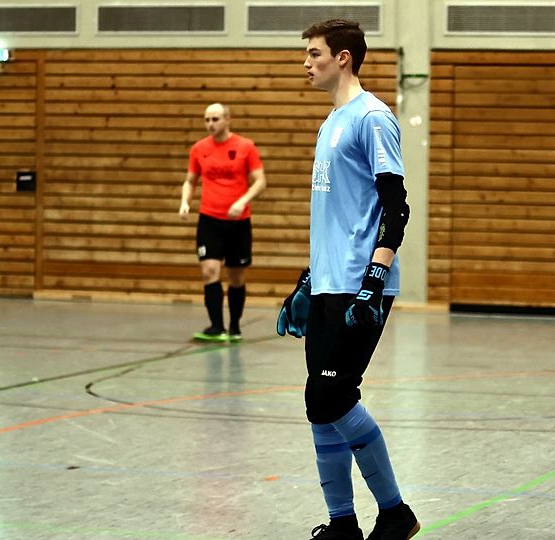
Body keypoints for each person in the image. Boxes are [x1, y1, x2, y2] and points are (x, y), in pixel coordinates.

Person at [276, 19, 418, 540]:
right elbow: (337, 215)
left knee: (334, 396)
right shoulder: (331, 122)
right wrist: (310, 279)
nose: (306, 63)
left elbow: (395, 208)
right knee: (319, 404)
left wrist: (374, 278)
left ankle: (396, 514)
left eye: (314, 54)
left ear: (343, 58)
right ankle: (342, 524)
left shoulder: (373, 118)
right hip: (328, 284)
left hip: (361, 286)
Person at [180, 103, 266, 342]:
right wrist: (185, 202)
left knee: (236, 277)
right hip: (209, 220)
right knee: (209, 271)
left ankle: (235, 326)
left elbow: (260, 181)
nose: (210, 124)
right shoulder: (199, 149)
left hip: (238, 222)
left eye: (215, 119)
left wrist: (242, 201)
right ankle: (216, 327)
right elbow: (190, 180)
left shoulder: (245, 146)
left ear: (228, 119)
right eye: (207, 120)